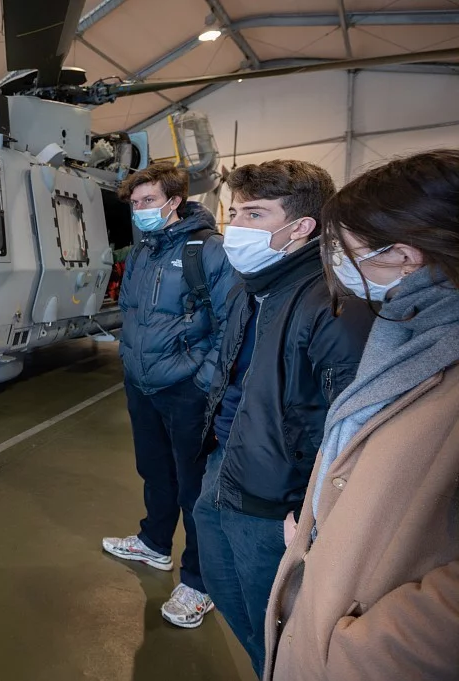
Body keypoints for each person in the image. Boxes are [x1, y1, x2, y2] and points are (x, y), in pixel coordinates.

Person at [264, 149, 459, 681]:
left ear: (405, 255)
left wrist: (371, 652)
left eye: (349, 249)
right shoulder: (405, 325)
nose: (341, 264)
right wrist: (324, 526)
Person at [190, 160, 374, 678]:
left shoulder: (335, 303)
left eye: (254, 213)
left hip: (277, 498)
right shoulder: (253, 285)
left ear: (300, 227)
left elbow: (354, 426)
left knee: (275, 624)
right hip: (225, 465)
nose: (235, 225)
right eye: (234, 211)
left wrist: (320, 512)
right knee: (228, 593)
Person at [103, 161, 238, 628]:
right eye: (135, 204)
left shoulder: (209, 250)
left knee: (194, 487)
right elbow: (131, 312)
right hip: (142, 383)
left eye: (148, 202)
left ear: (174, 202)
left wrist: (201, 380)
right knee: (154, 471)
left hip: (186, 389)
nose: (139, 211)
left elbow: (230, 327)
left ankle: (199, 583)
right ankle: (155, 544)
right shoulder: (144, 251)